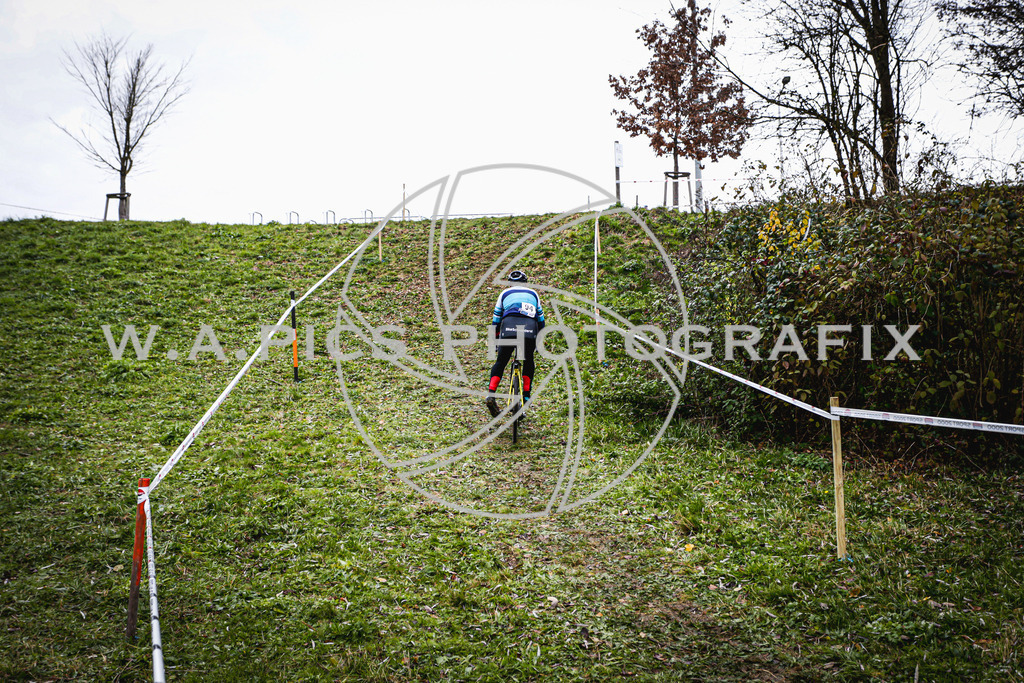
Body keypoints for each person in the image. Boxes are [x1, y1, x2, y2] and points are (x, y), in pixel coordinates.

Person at [485, 270, 544, 417]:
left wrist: (496, 341)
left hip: (509, 328)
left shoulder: (504, 294)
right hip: (529, 329)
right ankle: (525, 396)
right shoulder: (533, 294)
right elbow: (541, 321)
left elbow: (496, 321)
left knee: (501, 361)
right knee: (529, 360)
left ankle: (491, 394)